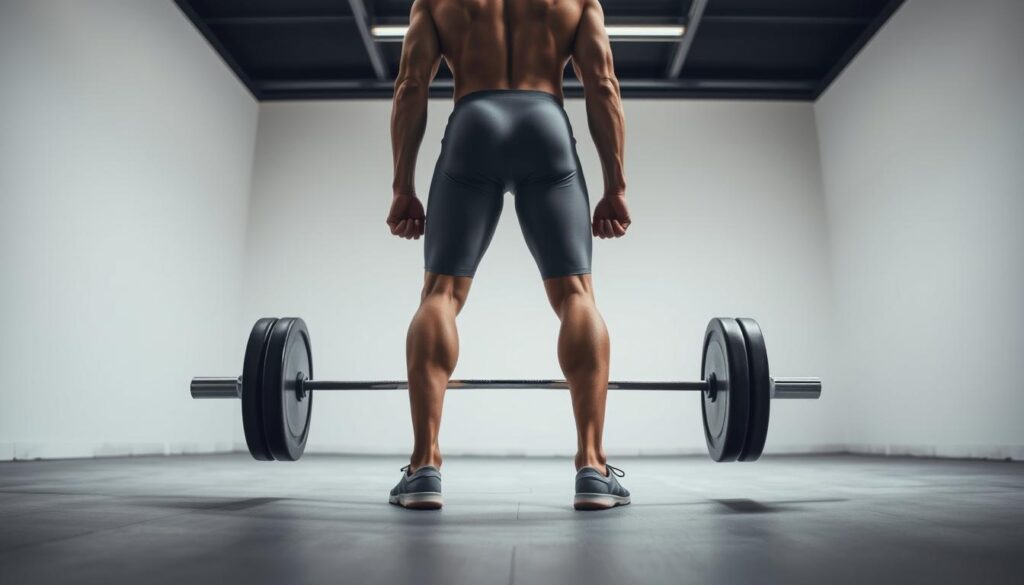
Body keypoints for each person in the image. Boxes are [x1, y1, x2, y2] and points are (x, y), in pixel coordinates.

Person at [385, 0, 632, 511]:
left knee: (441, 294)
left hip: (473, 122)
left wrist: (402, 186)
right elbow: (602, 84)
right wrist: (616, 186)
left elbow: (411, 85)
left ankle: (424, 465)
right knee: (576, 295)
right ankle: (592, 465)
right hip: (546, 124)